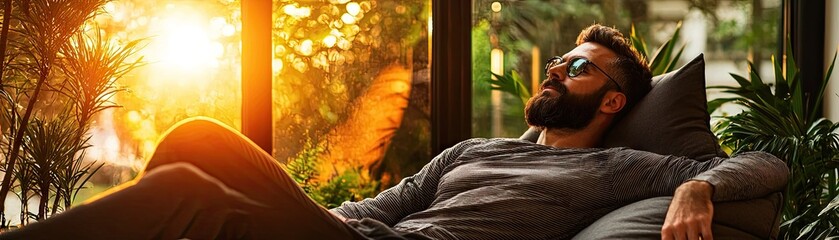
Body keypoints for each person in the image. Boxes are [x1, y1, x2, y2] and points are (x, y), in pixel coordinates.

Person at [0, 24, 788, 240]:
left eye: (576, 68)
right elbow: (382, 207)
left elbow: (766, 162)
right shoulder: (473, 150)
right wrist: (301, 219)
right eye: (558, 61)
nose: (555, 70)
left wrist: (696, 184)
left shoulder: (618, 168)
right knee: (195, 150)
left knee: (186, 176)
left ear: (613, 101)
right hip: (356, 239)